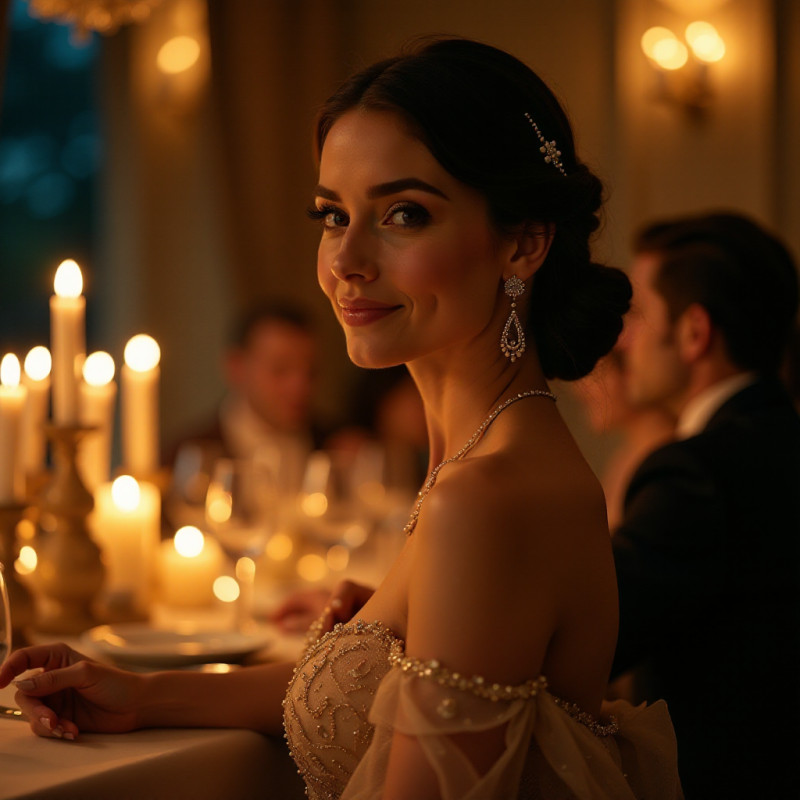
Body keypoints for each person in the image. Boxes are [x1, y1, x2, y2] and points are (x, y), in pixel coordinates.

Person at [0, 38, 682, 799]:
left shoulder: (487, 497)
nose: (347, 260)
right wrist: (142, 693)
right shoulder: (476, 458)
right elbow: (392, 707)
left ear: (522, 242)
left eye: (403, 214)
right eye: (332, 215)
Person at [612, 211, 800, 798]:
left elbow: (594, 632)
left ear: (694, 333)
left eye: (640, 314)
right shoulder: (780, 439)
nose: (624, 338)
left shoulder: (696, 472)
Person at [167, 302, 323, 495]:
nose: (300, 386)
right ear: (237, 368)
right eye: (280, 370)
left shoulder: (334, 444)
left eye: (311, 371)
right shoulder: (189, 455)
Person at [572, 346, 674, 530]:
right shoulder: (625, 455)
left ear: (629, 370)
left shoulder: (662, 454)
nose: (580, 389)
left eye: (597, 374)